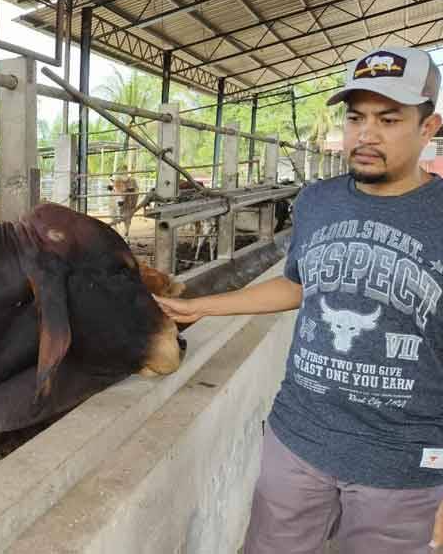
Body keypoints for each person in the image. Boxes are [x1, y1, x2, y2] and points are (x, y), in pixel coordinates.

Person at [155, 46, 443, 554]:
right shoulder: (318, 200)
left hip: (403, 464)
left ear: (428, 127)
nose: (367, 134)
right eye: (356, 117)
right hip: (298, 440)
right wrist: (205, 306)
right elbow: (300, 284)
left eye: (389, 119)